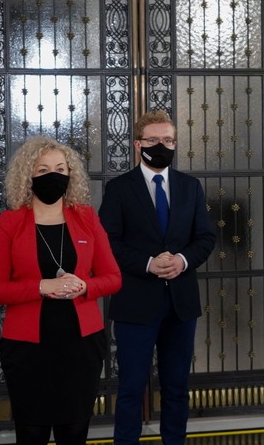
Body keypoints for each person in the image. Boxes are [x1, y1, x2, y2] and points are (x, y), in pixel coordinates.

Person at [0, 137, 121, 445]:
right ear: (28, 176)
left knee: (74, 433)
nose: (53, 176)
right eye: (43, 170)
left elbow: (113, 278)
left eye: (60, 169)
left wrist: (84, 286)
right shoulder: (10, 222)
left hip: (81, 347)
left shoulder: (86, 217)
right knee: (32, 433)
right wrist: (42, 286)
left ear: (71, 175)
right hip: (28, 350)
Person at [99, 110, 216, 445]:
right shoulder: (119, 189)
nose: (161, 146)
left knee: (177, 388)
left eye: (167, 140)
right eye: (153, 140)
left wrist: (182, 260)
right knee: (131, 389)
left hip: (181, 304)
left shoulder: (190, 187)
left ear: (175, 143)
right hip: (135, 304)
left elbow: (205, 237)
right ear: (138, 144)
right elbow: (108, 241)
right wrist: (148, 263)